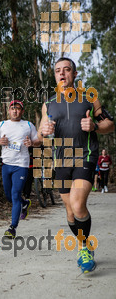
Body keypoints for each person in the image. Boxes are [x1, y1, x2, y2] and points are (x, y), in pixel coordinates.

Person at [38, 57, 114, 273]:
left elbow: (110, 124)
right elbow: (40, 133)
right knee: (71, 211)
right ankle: (85, 245)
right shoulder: (48, 103)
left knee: (78, 204)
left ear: (75, 74)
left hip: (85, 155)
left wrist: (95, 126)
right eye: (58, 71)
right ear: (55, 76)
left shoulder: (90, 98)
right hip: (61, 160)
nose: (62, 74)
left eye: (67, 70)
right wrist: (43, 132)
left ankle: (83, 248)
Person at [0, 100, 40, 238]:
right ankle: (25, 203)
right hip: (6, 164)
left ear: (22, 111)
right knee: (9, 195)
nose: (15, 111)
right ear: (9, 110)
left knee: (15, 193)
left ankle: (12, 227)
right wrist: (0, 142)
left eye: (18, 108)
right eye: (12, 108)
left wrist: (32, 143)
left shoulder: (28, 125)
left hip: (21, 165)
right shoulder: (2, 124)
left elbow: (38, 141)